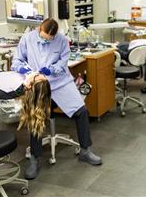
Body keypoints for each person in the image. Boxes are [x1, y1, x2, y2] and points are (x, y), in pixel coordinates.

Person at [11, 18, 102, 180]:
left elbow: (63, 61)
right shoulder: (27, 39)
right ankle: (35, 158)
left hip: (59, 81)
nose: (47, 40)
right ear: (40, 29)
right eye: (45, 37)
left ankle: (85, 150)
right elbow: (16, 60)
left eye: (50, 39)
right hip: (38, 83)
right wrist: (23, 68)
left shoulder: (61, 40)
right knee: (35, 118)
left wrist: (52, 69)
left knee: (82, 111)